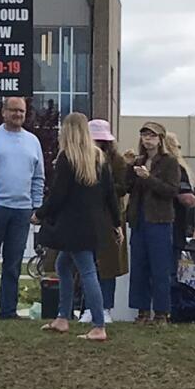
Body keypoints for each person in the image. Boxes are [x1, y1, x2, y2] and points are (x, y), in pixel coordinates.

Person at [36, 113, 122, 342]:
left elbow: (58, 195)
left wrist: (40, 214)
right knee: (63, 265)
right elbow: (110, 195)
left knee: (87, 271)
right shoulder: (99, 158)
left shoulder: (67, 158)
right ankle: (63, 317)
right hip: (93, 225)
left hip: (73, 226)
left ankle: (98, 325)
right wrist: (116, 223)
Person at [0, 97, 45, 320]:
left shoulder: (33, 141)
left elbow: (38, 176)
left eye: (21, 111)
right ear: (3, 112)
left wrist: (36, 206)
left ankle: (8, 310)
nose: (18, 115)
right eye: (13, 110)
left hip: (21, 210)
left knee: (13, 262)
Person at [125, 121, 181, 326]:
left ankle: (161, 312)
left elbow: (171, 191)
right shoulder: (139, 161)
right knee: (139, 267)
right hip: (139, 220)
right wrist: (129, 167)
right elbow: (128, 187)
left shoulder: (169, 162)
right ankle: (141, 312)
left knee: (160, 268)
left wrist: (148, 178)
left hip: (160, 220)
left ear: (160, 140)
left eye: (151, 136)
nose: (147, 140)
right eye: (144, 136)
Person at [80, 119, 129, 324]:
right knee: (86, 264)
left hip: (110, 216)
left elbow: (123, 187)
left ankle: (105, 307)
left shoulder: (117, 161)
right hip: (86, 217)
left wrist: (103, 189)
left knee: (107, 266)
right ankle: (88, 307)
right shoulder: (81, 158)